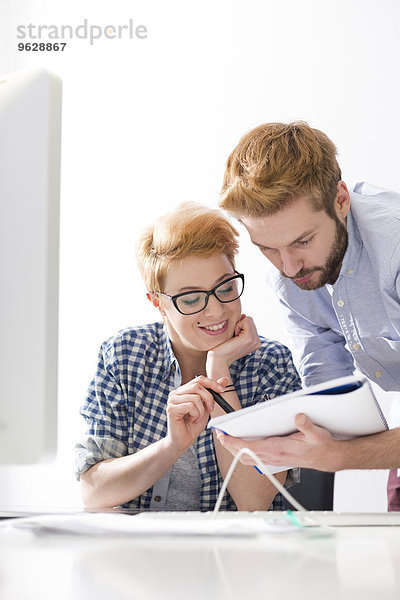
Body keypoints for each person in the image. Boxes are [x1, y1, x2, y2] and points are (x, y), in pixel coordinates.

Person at [217, 121, 400, 511]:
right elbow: (330, 399)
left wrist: (341, 456)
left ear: (341, 200)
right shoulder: (291, 281)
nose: (289, 266)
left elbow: (340, 450)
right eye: (267, 247)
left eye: (302, 241)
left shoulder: (395, 252)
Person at [74, 202, 301, 512]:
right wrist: (172, 445)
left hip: (236, 555)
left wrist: (220, 368)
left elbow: (254, 503)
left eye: (225, 287)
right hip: (140, 554)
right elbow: (93, 492)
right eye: (192, 298)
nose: (216, 310)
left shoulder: (270, 364)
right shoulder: (124, 356)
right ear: (157, 302)